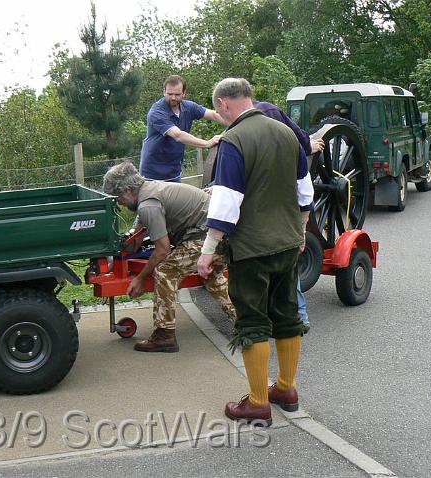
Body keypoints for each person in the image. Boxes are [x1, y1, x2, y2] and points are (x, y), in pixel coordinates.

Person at [197, 78, 314, 425]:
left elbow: (226, 204)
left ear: (222, 103)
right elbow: (305, 192)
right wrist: (302, 230)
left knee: (253, 320)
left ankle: (258, 402)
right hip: (289, 243)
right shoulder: (287, 134)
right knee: (287, 313)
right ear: (249, 97)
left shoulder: (234, 140)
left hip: (251, 249)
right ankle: (287, 388)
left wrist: (207, 251)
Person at [102, 161, 237, 353]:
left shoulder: (148, 204)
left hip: (207, 239)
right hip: (223, 235)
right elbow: (138, 232)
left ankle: (164, 335)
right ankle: (247, 323)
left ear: (128, 191)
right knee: (213, 278)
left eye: (119, 198)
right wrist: (127, 243)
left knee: (165, 271)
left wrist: (140, 278)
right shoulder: (150, 189)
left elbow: (163, 250)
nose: (120, 203)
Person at [253, 100, 325, 334]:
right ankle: (285, 318)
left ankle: (298, 318)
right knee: (278, 268)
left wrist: (302, 228)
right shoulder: (257, 131)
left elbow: (305, 194)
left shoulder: (287, 150)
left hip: (283, 220)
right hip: (270, 220)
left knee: (287, 267)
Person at [139, 75, 226, 182]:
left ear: (184, 93)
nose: (173, 98)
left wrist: (235, 123)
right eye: (169, 94)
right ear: (164, 92)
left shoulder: (189, 107)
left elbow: (214, 115)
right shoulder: (156, 112)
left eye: (177, 94)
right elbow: (178, 135)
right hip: (152, 173)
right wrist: (207, 143)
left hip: (174, 172)